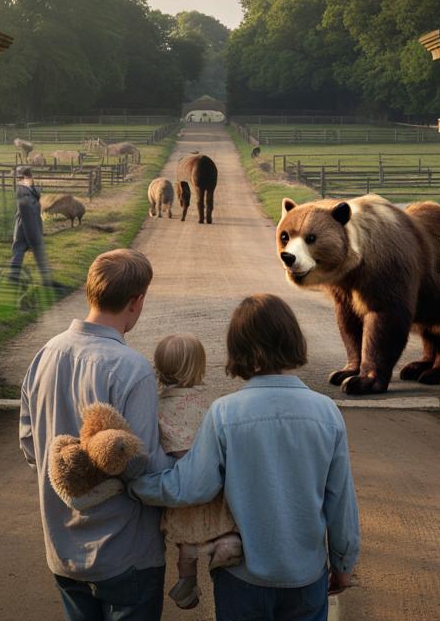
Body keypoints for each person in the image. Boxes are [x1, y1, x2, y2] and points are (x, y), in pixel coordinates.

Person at [130, 294, 360, 621]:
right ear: (294, 340)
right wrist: (343, 563)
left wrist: (136, 485)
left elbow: (192, 488)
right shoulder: (327, 413)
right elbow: (340, 502)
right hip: (306, 574)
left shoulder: (224, 414)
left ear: (238, 349)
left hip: (243, 576)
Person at [19, 248, 173, 621]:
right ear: (136, 303)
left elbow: (29, 445)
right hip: (125, 549)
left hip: (62, 547)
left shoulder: (45, 354)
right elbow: (143, 466)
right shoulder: (131, 369)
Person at [151, 333, 242, 610]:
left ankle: (187, 580)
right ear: (199, 367)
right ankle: (224, 550)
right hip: (213, 489)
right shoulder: (213, 404)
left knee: (186, 546)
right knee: (221, 528)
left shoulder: (156, 407)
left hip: (180, 489)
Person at [11, 166, 52, 286]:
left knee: (19, 250)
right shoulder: (27, 191)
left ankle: (14, 276)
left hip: (26, 225)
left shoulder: (26, 190)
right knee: (31, 250)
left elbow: (29, 209)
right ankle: (45, 279)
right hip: (29, 225)